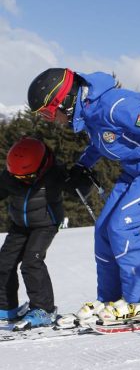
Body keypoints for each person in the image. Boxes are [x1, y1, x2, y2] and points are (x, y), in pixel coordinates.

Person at [27, 68, 140, 325]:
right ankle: (110, 299)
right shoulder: (90, 112)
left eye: (50, 112)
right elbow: (101, 141)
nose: (52, 120)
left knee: (123, 228)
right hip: (134, 172)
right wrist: (83, 165)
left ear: (66, 100)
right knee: (104, 229)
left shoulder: (116, 106)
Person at [0, 137, 68, 330]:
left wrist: (81, 179)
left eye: (27, 177)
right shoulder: (11, 176)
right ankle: (6, 307)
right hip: (19, 225)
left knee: (31, 262)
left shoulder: (55, 174)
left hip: (46, 224)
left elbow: (78, 188)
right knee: (4, 262)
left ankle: (44, 310)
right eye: (17, 177)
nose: (21, 181)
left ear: (42, 166)